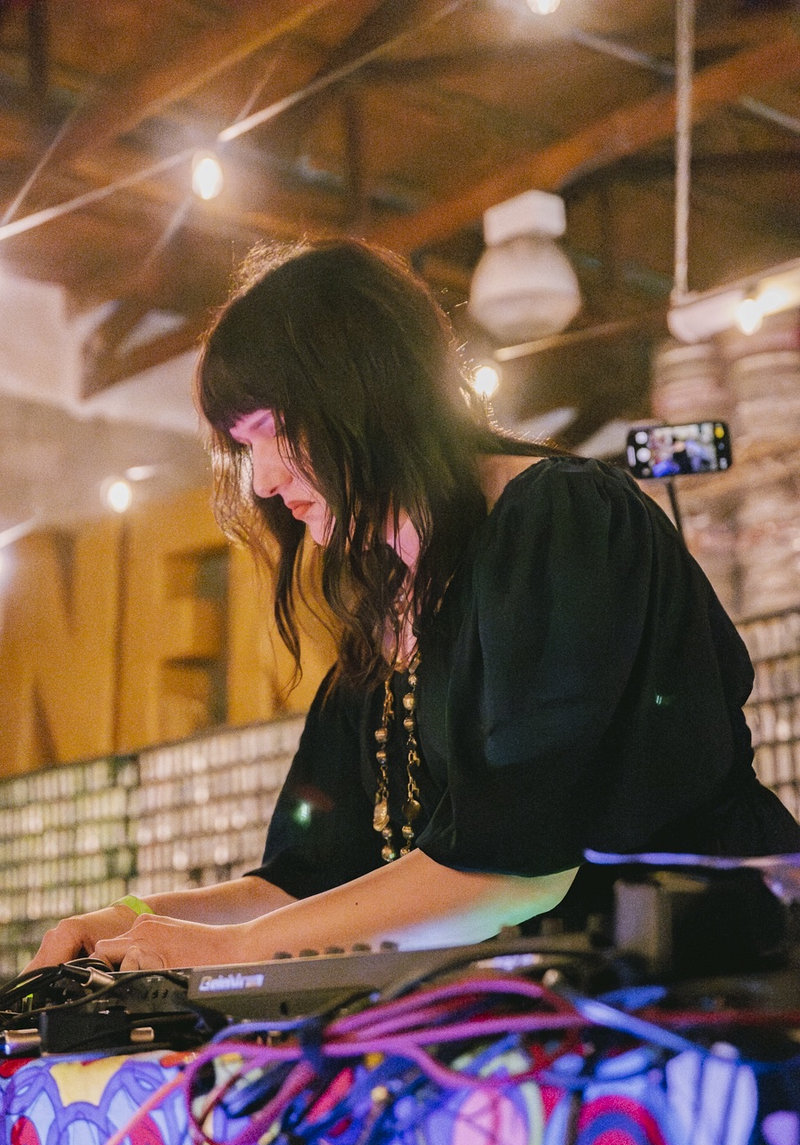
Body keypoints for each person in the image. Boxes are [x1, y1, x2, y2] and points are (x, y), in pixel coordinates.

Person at [28, 237, 800, 974]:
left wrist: (234, 951)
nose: (261, 479)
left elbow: (514, 868)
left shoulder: (557, 520)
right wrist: (131, 920)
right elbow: (307, 882)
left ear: (365, 396)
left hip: (721, 982)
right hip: (561, 1004)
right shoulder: (381, 610)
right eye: (243, 445)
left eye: (273, 432)